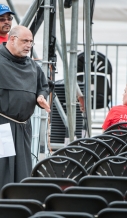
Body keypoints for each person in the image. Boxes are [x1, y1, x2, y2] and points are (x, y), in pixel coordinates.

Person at [0, 25, 50, 190]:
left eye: (31, 42)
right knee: (3, 171)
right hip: (2, 125)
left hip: (23, 127)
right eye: (25, 41)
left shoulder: (32, 65)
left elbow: (44, 85)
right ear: (12, 39)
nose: (29, 45)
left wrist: (40, 96)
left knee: (22, 172)